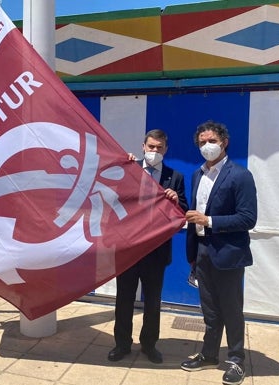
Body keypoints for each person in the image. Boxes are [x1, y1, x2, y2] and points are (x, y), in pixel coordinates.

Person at [181, 121, 257, 385]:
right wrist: (193, 250)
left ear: (223, 142)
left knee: (232, 309)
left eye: (211, 141)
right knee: (210, 310)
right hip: (202, 252)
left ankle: (236, 359)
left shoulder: (240, 175)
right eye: (202, 142)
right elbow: (193, 213)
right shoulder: (196, 175)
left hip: (228, 253)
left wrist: (209, 221)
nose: (206, 146)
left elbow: (248, 218)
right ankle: (209, 354)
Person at [108, 129, 188, 364]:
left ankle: (149, 345)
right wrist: (123, 165)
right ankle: (122, 344)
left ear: (166, 149)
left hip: (156, 251)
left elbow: (183, 211)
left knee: (152, 302)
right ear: (143, 147)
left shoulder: (175, 177)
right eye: (151, 147)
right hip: (128, 248)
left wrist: (176, 199)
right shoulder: (128, 171)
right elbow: (112, 198)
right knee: (124, 300)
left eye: (159, 147)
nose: (154, 151)